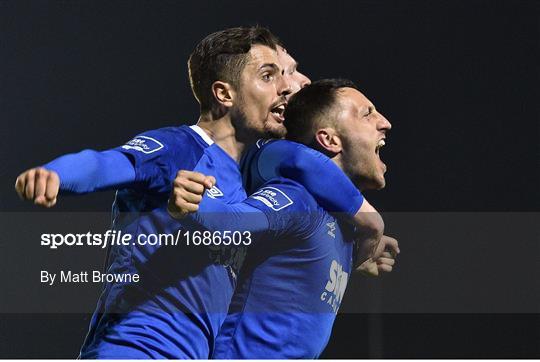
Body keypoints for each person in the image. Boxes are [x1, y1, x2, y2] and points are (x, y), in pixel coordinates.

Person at [168, 79, 399, 358]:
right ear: (329, 139)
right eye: (367, 113)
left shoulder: (345, 228)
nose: (384, 122)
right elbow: (236, 221)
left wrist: (354, 259)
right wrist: (195, 202)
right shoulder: (297, 197)